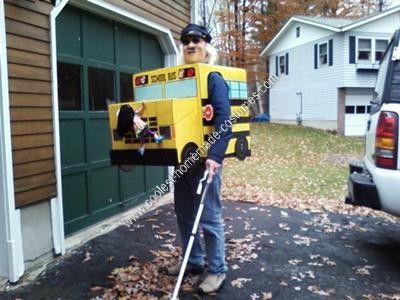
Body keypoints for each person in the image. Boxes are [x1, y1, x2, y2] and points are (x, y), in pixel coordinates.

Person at [167, 23, 232, 294]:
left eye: (197, 40)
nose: (191, 45)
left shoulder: (213, 78)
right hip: (183, 161)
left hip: (207, 161)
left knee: (209, 217)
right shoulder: (179, 80)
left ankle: (217, 270)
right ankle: (194, 261)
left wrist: (215, 157)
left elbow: (224, 120)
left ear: (206, 47)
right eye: (186, 41)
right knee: (183, 213)